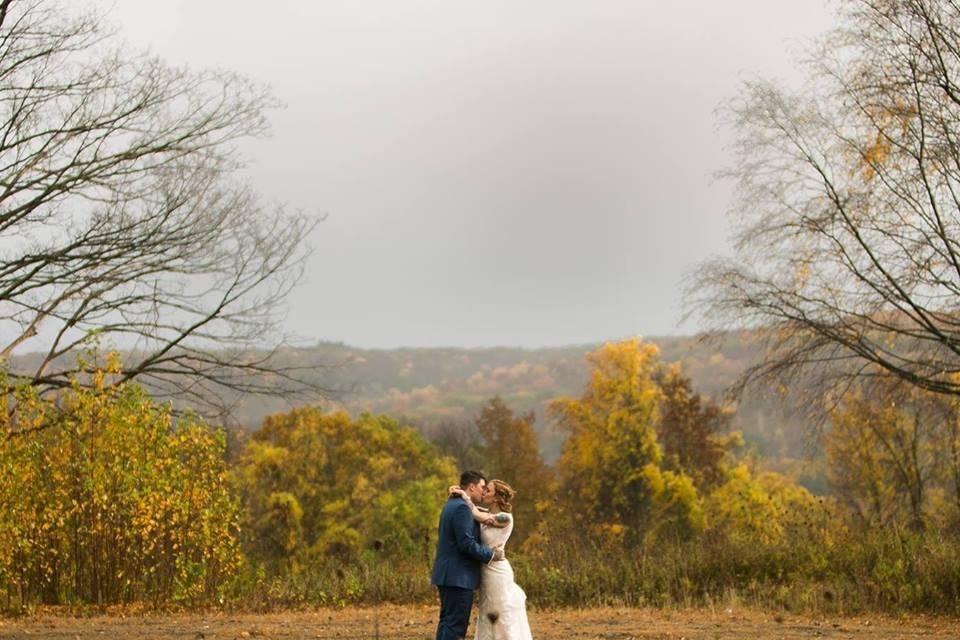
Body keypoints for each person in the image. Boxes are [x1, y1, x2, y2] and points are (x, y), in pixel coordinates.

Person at [449, 479, 533, 640]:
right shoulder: (488, 514)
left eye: (488, 490)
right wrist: (458, 492)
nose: (484, 492)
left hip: (497, 571)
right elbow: (477, 512)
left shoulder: (505, 518)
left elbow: (476, 514)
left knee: (499, 612)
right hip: (486, 570)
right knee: (487, 612)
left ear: (496, 498)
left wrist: (464, 496)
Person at [431, 471, 505, 640]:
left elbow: (481, 514)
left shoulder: (453, 503)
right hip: (458, 577)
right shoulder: (462, 508)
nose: (483, 491)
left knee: (447, 622)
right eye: (482, 487)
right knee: (456, 625)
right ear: (471, 487)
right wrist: (492, 554)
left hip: (449, 575)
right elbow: (466, 544)